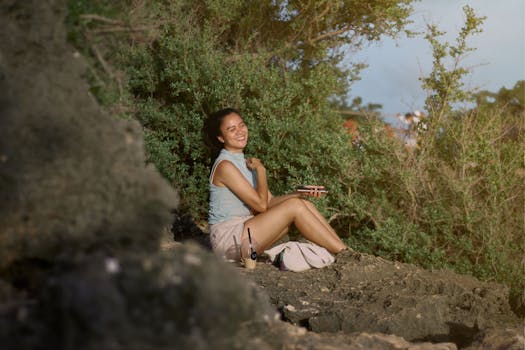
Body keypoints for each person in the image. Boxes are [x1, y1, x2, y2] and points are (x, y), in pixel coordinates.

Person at [203, 107, 348, 268]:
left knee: (305, 204)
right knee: (295, 206)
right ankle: (345, 254)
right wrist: (261, 171)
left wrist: (299, 193)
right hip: (229, 238)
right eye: (231, 129)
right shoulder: (225, 166)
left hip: (247, 231)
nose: (240, 131)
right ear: (221, 137)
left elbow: (270, 201)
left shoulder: (244, 162)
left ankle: (346, 251)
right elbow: (261, 206)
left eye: (241, 125)